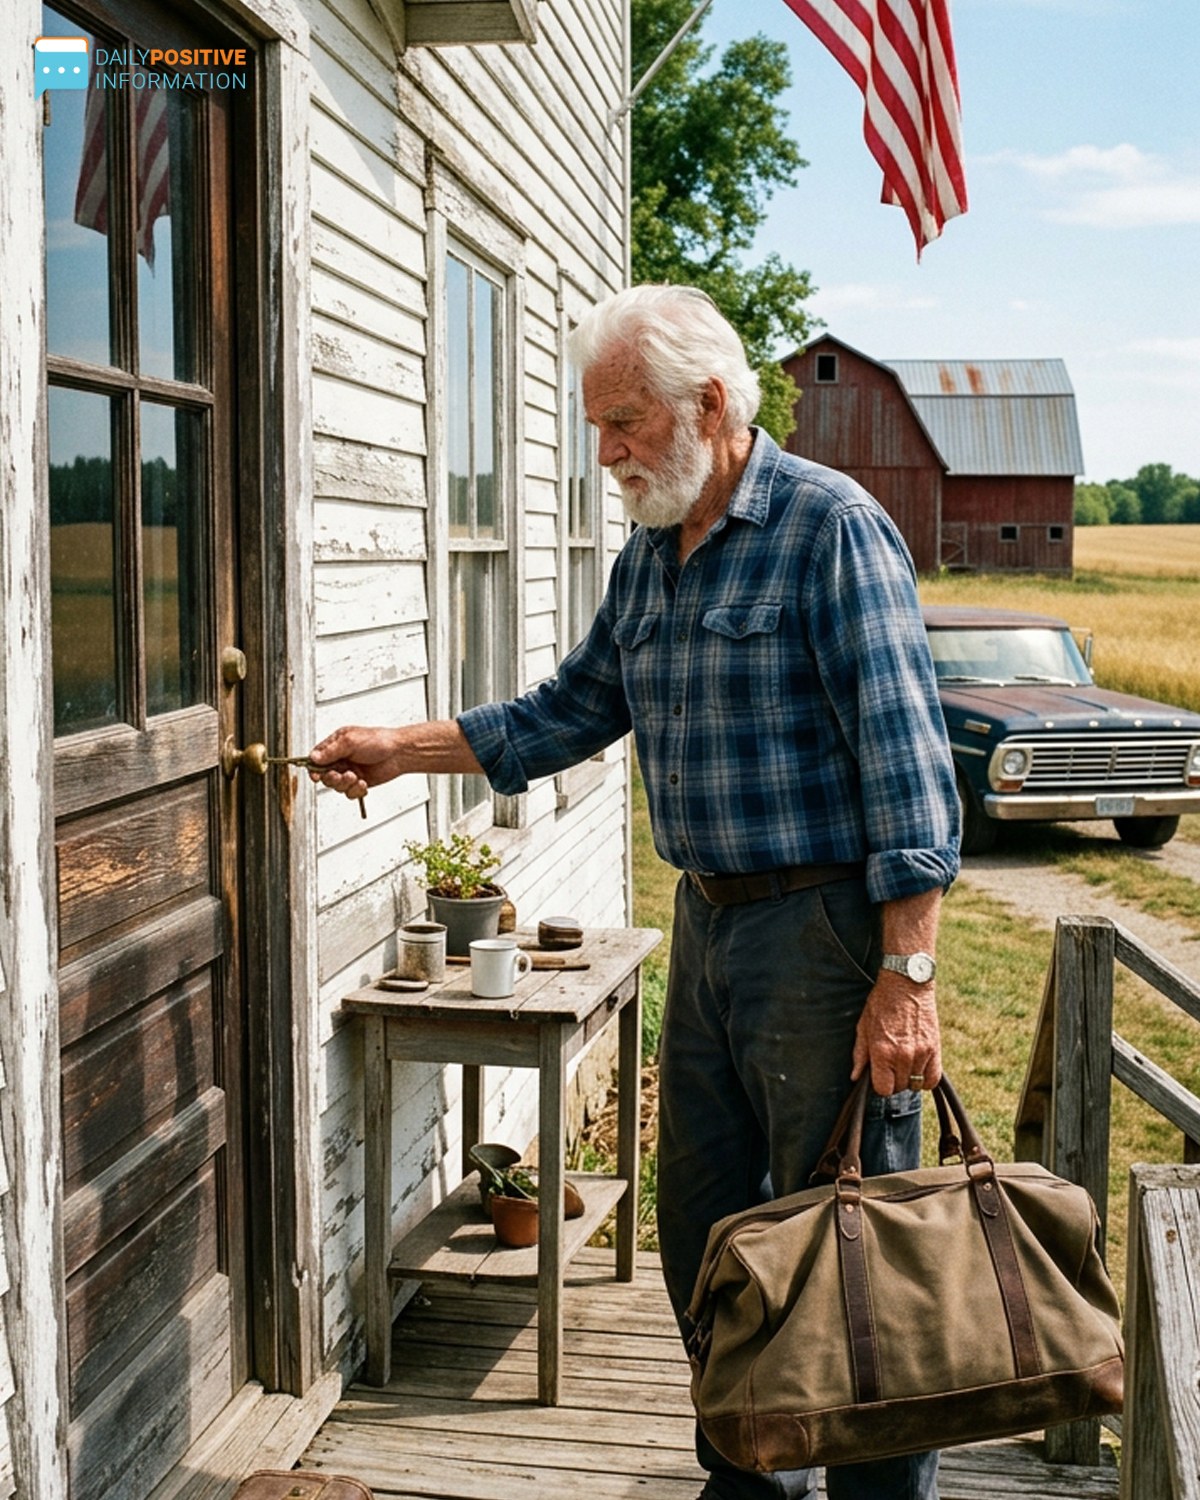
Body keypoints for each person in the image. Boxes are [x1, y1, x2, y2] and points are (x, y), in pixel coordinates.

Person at [309, 284, 961, 1500]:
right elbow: (568, 710)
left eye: (623, 423)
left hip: (824, 935)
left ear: (710, 404)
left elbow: (912, 778)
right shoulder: (652, 557)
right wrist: (404, 746)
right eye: (598, 426)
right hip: (709, 924)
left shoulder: (832, 530)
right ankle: (747, 1470)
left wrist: (906, 978)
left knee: (853, 1246)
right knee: (708, 1226)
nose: (604, 453)